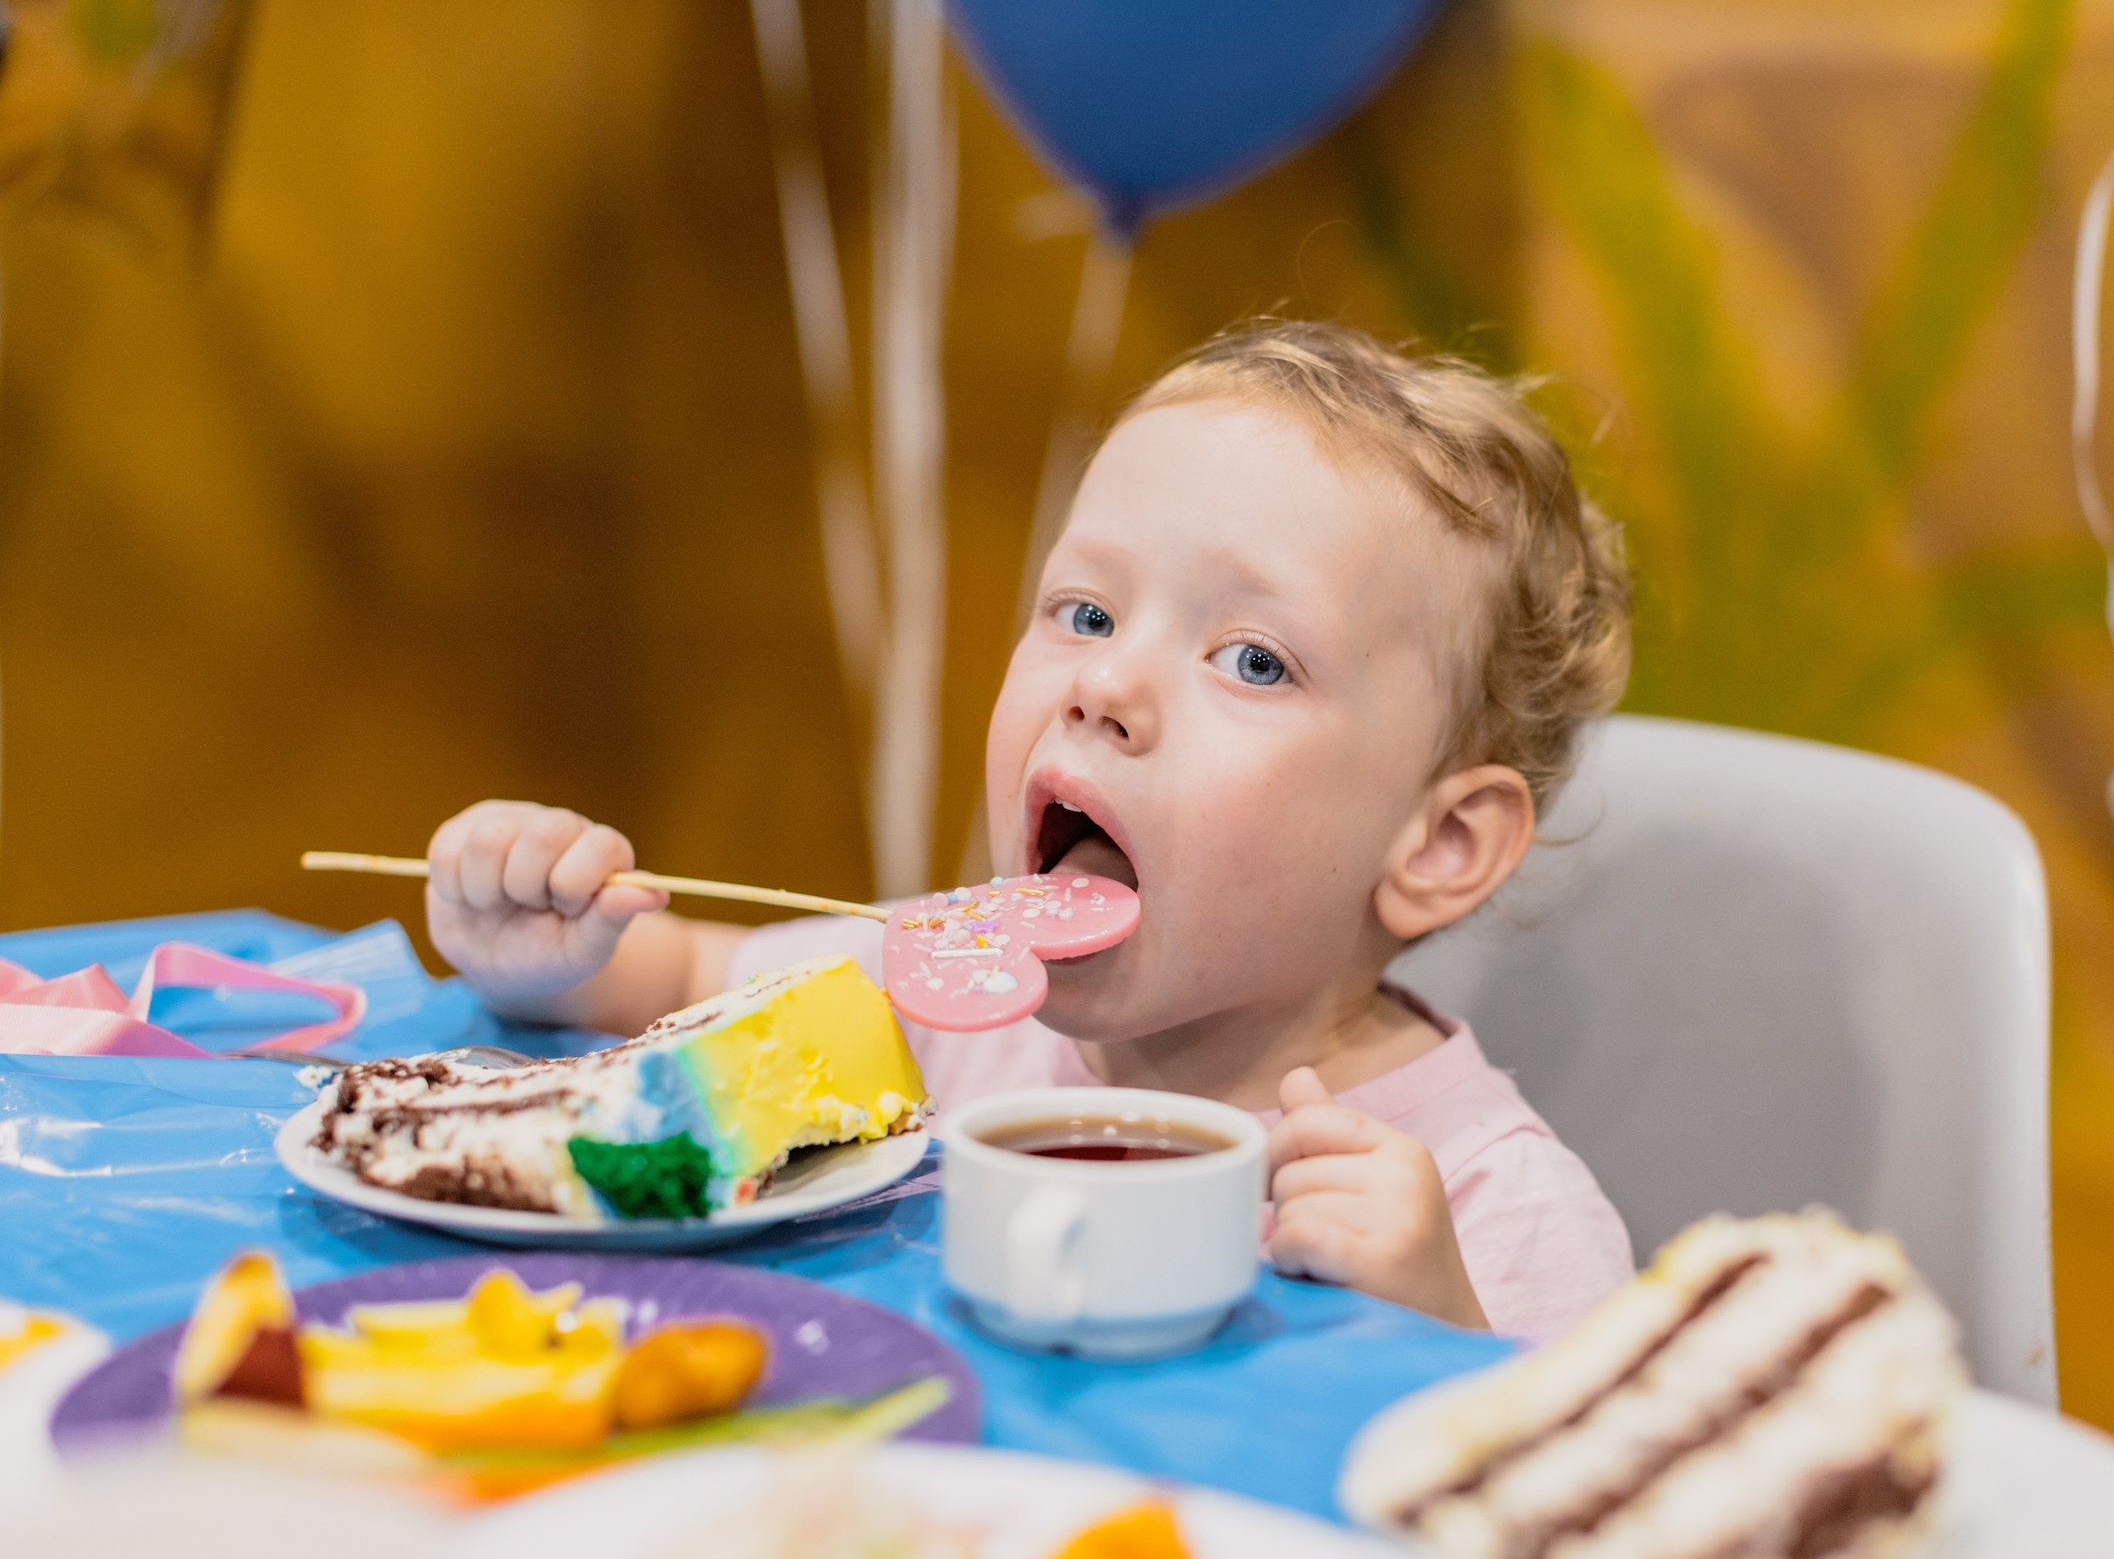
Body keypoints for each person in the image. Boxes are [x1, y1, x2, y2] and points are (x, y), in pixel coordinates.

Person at [421, 320, 1636, 1339]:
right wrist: (543, 953)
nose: (1105, 685)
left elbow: (1592, 1542)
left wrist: (1437, 1329)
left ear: (1440, 845)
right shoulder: (939, 999)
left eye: (1253, 659)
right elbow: (681, 974)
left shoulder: (1494, 1204)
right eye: (1086, 610)